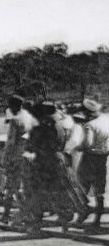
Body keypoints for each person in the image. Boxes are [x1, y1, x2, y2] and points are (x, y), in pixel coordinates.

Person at [23, 101, 88, 234]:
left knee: (38, 192)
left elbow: (32, 144)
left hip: (43, 162)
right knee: (63, 192)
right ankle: (65, 226)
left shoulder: (42, 125)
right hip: (59, 160)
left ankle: (36, 225)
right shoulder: (62, 124)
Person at [0, 95, 36, 224]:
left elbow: (11, 143)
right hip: (28, 155)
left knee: (12, 186)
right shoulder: (29, 118)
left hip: (16, 157)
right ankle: (7, 214)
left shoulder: (15, 121)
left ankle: (22, 213)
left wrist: (4, 159)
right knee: (21, 186)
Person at [76, 99, 109, 230]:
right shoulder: (106, 120)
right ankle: (97, 220)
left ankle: (82, 213)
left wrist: (78, 147)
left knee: (81, 186)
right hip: (103, 158)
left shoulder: (90, 125)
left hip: (90, 158)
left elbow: (87, 144)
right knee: (99, 190)